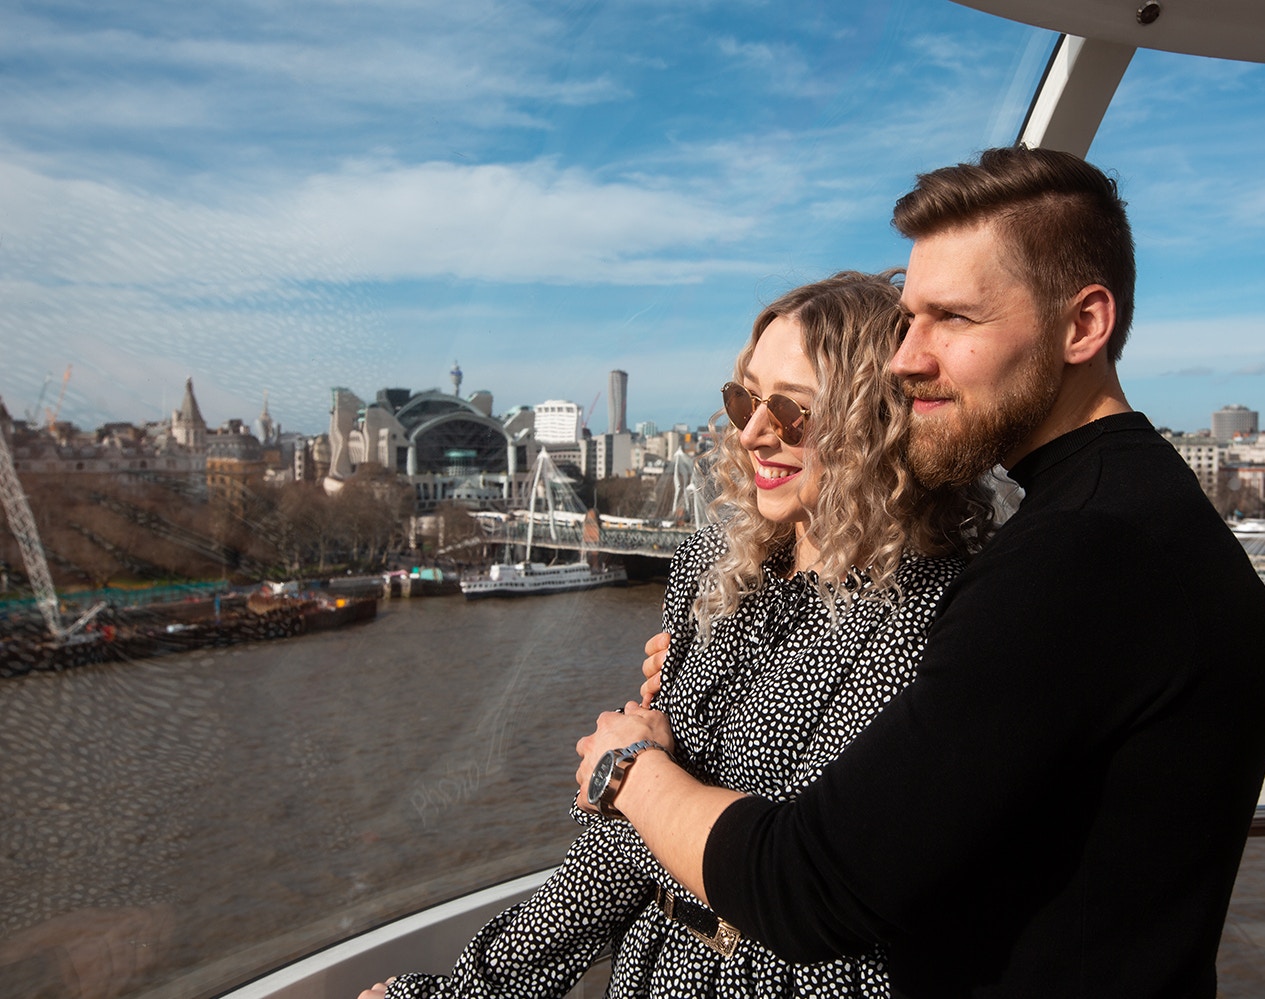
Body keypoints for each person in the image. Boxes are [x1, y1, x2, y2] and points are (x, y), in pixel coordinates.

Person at [575, 146, 1265, 997]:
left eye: (951, 318)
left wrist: (635, 769)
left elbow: (811, 885)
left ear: (1082, 326)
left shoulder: (1081, 555)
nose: (907, 358)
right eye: (909, 318)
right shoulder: (1131, 512)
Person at [363, 270, 993, 999]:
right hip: (656, 970)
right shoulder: (714, 566)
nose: (753, 430)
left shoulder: (929, 617)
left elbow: (805, 876)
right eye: (744, 398)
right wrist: (470, 989)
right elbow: (628, 845)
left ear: (876, 422)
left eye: (791, 411)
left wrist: (635, 772)